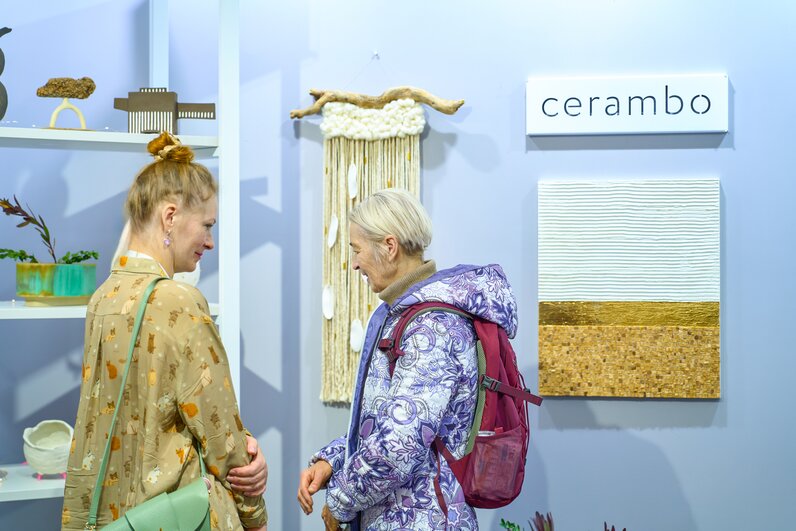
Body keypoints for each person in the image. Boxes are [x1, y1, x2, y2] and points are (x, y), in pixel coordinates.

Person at [62, 132, 268, 531]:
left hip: (114, 516)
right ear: (170, 216)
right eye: (207, 225)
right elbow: (223, 438)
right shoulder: (179, 301)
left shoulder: (103, 298)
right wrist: (254, 513)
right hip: (177, 514)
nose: (210, 242)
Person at [297, 188, 518, 530]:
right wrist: (334, 459)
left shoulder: (432, 328)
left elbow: (400, 444)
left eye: (357, 250)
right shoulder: (403, 317)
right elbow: (387, 422)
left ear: (389, 246)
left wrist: (341, 500)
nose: (354, 263)